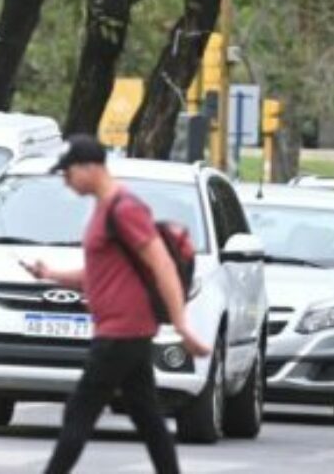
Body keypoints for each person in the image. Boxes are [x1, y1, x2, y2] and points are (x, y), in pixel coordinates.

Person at [20, 135, 210, 474]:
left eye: (68, 172)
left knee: (79, 412)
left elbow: (162, 263)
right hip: (125, 331)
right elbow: (97, 273)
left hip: (120, 333)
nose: (65, 180)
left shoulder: (125, 208)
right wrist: (50, 274)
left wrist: (182, 325)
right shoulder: (105, 209)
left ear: (89, 167)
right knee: (147, 416)